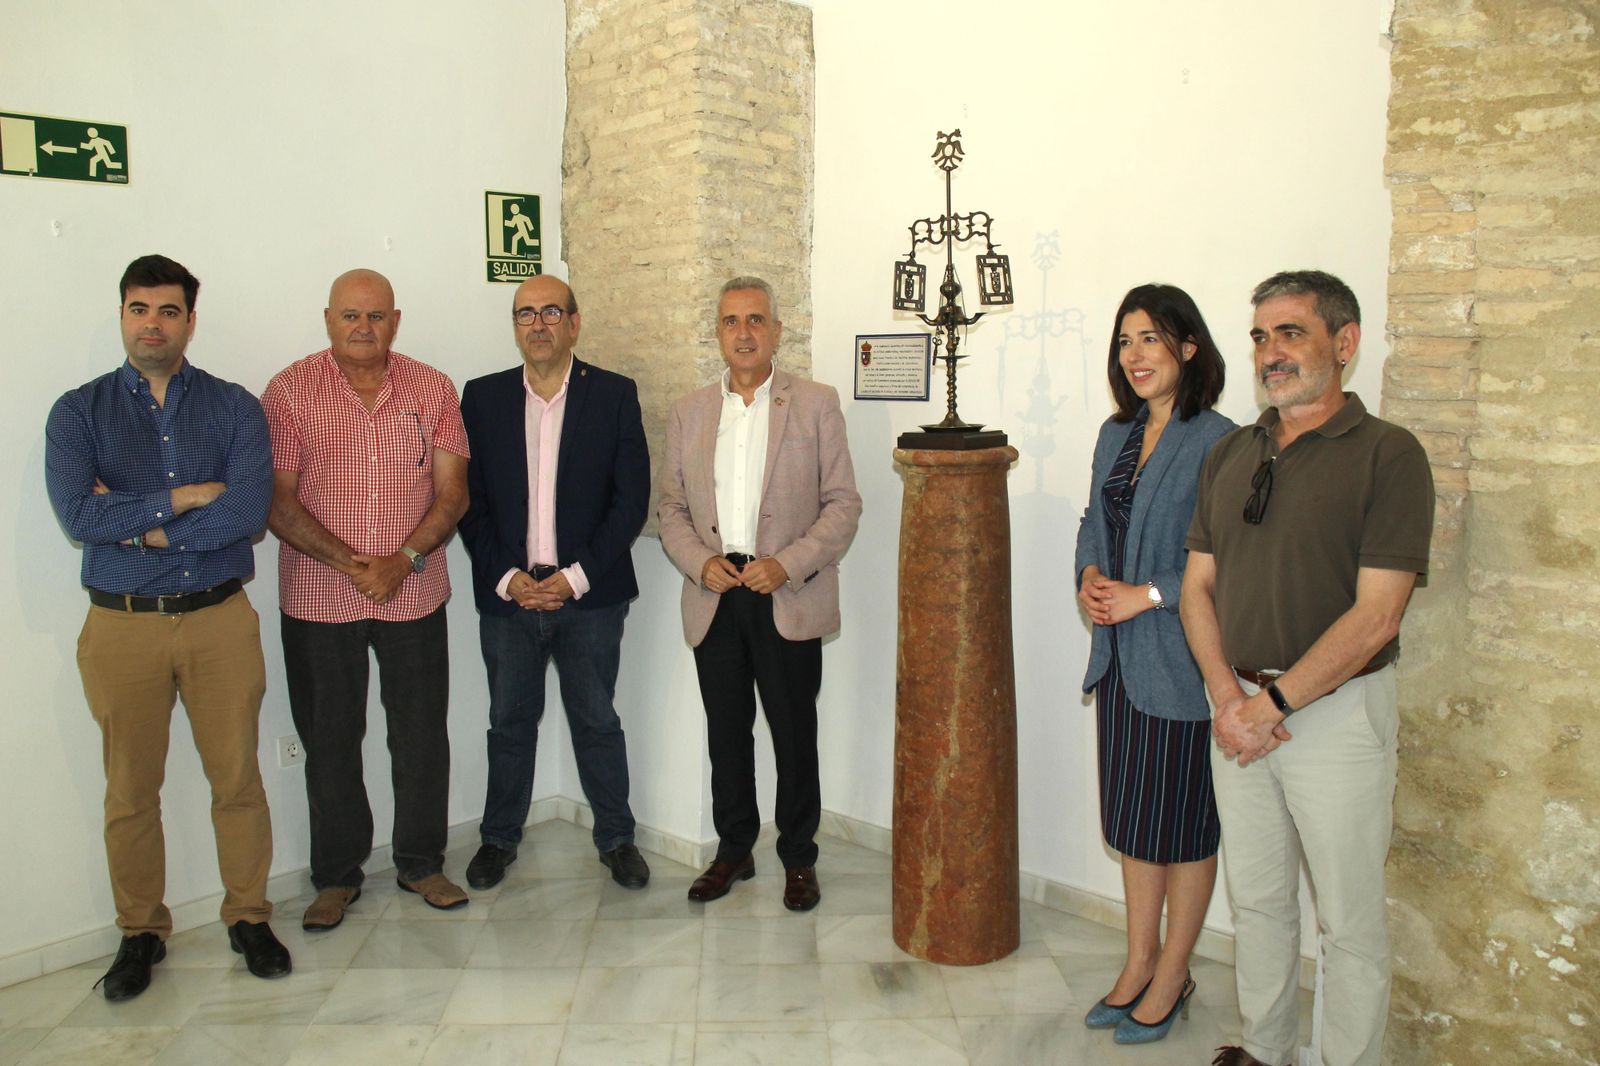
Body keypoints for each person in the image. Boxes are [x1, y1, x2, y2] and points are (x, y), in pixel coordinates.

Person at [1182, 271, 1434, 1066]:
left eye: (1290, 332)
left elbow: (1377, 617)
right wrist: (1229, 696)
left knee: (1348, 923)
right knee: (1257, 901)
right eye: (1260, 336)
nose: (1270, 352)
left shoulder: (1389, 455)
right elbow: (1197, 588)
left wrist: (1275, 703)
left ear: (1345, 343)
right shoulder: (1231, 450)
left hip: (1334, 719)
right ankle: (1263, 1049)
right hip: (1238, 711)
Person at [45, 254, 289, 1000]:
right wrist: (185, 497)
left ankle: (248, 916)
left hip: (219, 619)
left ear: (190, 319)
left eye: (168, 311)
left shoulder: (234, 407)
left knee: (238, 780)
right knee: (129, 789)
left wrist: (139, 527)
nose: (153, 324)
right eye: (139, 309)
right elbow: (79, 517)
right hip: (122, 629)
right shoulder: (78, 412)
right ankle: (140, 932)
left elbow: (246, 516)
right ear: (123, 314)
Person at [263, 268, 471, 928]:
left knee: (419, 736)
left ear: (395, 320)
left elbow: (453, 492)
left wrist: (402, 561)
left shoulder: (431, 388)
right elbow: (278, 499)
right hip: (320, 598)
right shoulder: (290, 391)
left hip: (413, 592)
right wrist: (354, 565)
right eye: (350, 315)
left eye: (376, 316)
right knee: (329, 740)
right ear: (328, 319)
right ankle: (335, 876)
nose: (363, 327)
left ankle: (421, 862)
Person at [658, 276, 861, 911]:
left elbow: (843, 504)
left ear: (776, 331)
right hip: (716, 593)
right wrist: (699, 562)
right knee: (727, 733)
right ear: (717, 332)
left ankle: (799, 858)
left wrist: (788, 564)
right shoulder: (690, 411)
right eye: (730, 322)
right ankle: (734, 849)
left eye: (754, 321)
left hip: (785, 593)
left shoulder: (816, 402)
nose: (742, 333)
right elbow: (669, 509)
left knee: (794, 733)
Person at [1074, 284, 1233, 1044]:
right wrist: (1089, 577)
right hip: (1119, 662)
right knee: (1136, 824)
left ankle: (1174, 973)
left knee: (1184, 829)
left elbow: (1230, 557)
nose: (1134, 355)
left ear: (1189, 348)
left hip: (1182, 664)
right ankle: (1137, 964)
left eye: (1151, 339)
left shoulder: (1223, 440)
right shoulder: (1117, 434)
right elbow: (1092, 520)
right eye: (1125, 341)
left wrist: (1149, 594)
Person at [457, 274, 652, 891]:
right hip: (510, 599)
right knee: (508, 723)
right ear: (514, 326)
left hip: (589, 600)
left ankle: (617, 839)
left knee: (596, 720)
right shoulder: (482, 398)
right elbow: (470, 501)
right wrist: (507, 577)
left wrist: (574, 578)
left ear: (574, 322)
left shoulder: (614, 395)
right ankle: (497, 839)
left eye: (550, 312)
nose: (537, 324)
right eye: (524, 314)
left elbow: (631, 500)